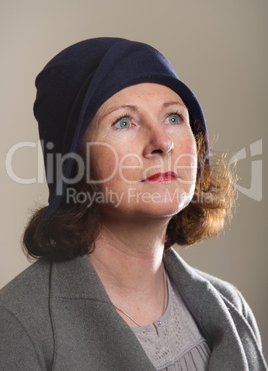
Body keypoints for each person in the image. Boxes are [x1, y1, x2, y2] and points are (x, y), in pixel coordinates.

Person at [0, 38, 266, 371]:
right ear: (73, 161)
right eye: (124, 122)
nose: (162, 142)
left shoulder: (231, 307)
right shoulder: (16, 326)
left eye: (173, 117)